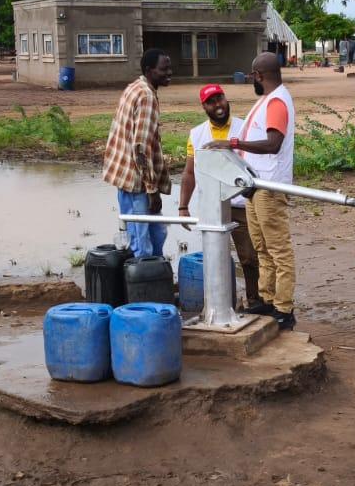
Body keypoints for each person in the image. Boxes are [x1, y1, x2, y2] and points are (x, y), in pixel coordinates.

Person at [208, 52, 297, 329]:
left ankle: (284, 309)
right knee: (262, 248)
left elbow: (273, 144)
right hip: (255, 186)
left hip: (270, 187)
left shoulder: (277, 101)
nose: (251, 81)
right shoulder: (267, 100)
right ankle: (267, 300)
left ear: (258, 75)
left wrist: (234, 143)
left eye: (251, 76)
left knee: (278, 250)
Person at [177, 83, 260, 306]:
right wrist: (183, 207)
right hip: (212, 207)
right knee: (215, 259)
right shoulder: (197, 134)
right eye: (211, 102)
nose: (218, 105)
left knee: (250, 257)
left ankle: (255, 301)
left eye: (220, 99)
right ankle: (221, 304)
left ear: (226, 99)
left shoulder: (244, 128)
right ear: (204, 107)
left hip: (241, 204)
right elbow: (189, 173)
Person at [100, 48, 172, 259]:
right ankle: (145, 277)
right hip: (136, 182)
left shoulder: (135, 87)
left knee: (155, 234)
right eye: (164, 69)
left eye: (169, 68)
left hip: (126, 176)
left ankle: (156, 272)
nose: (169, 73)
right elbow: (140, 147)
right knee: (142, 244)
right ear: (149, 70)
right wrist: (152, 189)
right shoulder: (146, 96)